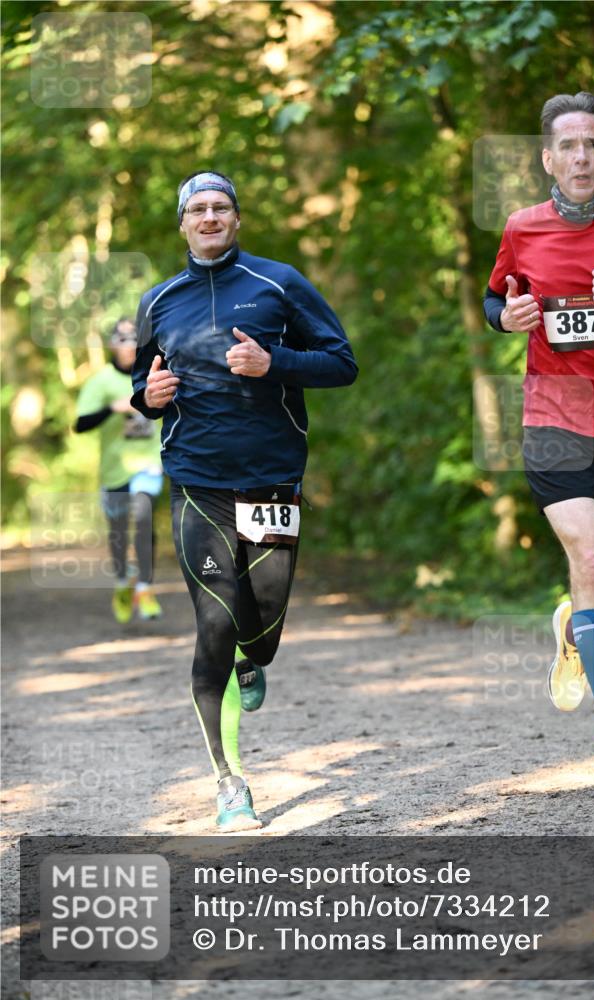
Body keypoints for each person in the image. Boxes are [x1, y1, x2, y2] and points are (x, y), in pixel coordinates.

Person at [131, 170, 357, 831]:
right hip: (197, 482)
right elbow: (143, 385)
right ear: (182, 224)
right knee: (213, 623)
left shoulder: (277, 284)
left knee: (260, 635)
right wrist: (151, 398)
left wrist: (274, 363)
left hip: (271, 478)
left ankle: (249, 661)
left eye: (219, 207)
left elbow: (341, 363)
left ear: (236, 219)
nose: (208, 217)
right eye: (196, 209)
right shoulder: (159, 300)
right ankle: (230, 783)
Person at [483, 92, 594, 796]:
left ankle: (574, 624)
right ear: (546, 159)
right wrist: (506, 318)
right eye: (567, 146)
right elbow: (494, 297)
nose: (580, 156)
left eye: (592, 144)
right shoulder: (522, 228)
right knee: (587, 559)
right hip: (555, 418)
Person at [75, 318, 164, 623]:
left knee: (142, 516)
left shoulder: (153, 373)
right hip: (114, 470)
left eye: (134, 338)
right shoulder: (100, 381)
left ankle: (145, 588)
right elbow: (80, 424)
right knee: (117, 532)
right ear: (112, 344)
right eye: (122, 339)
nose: (128, 345)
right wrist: (114, 408)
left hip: (148, 464)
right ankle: (122, 584)